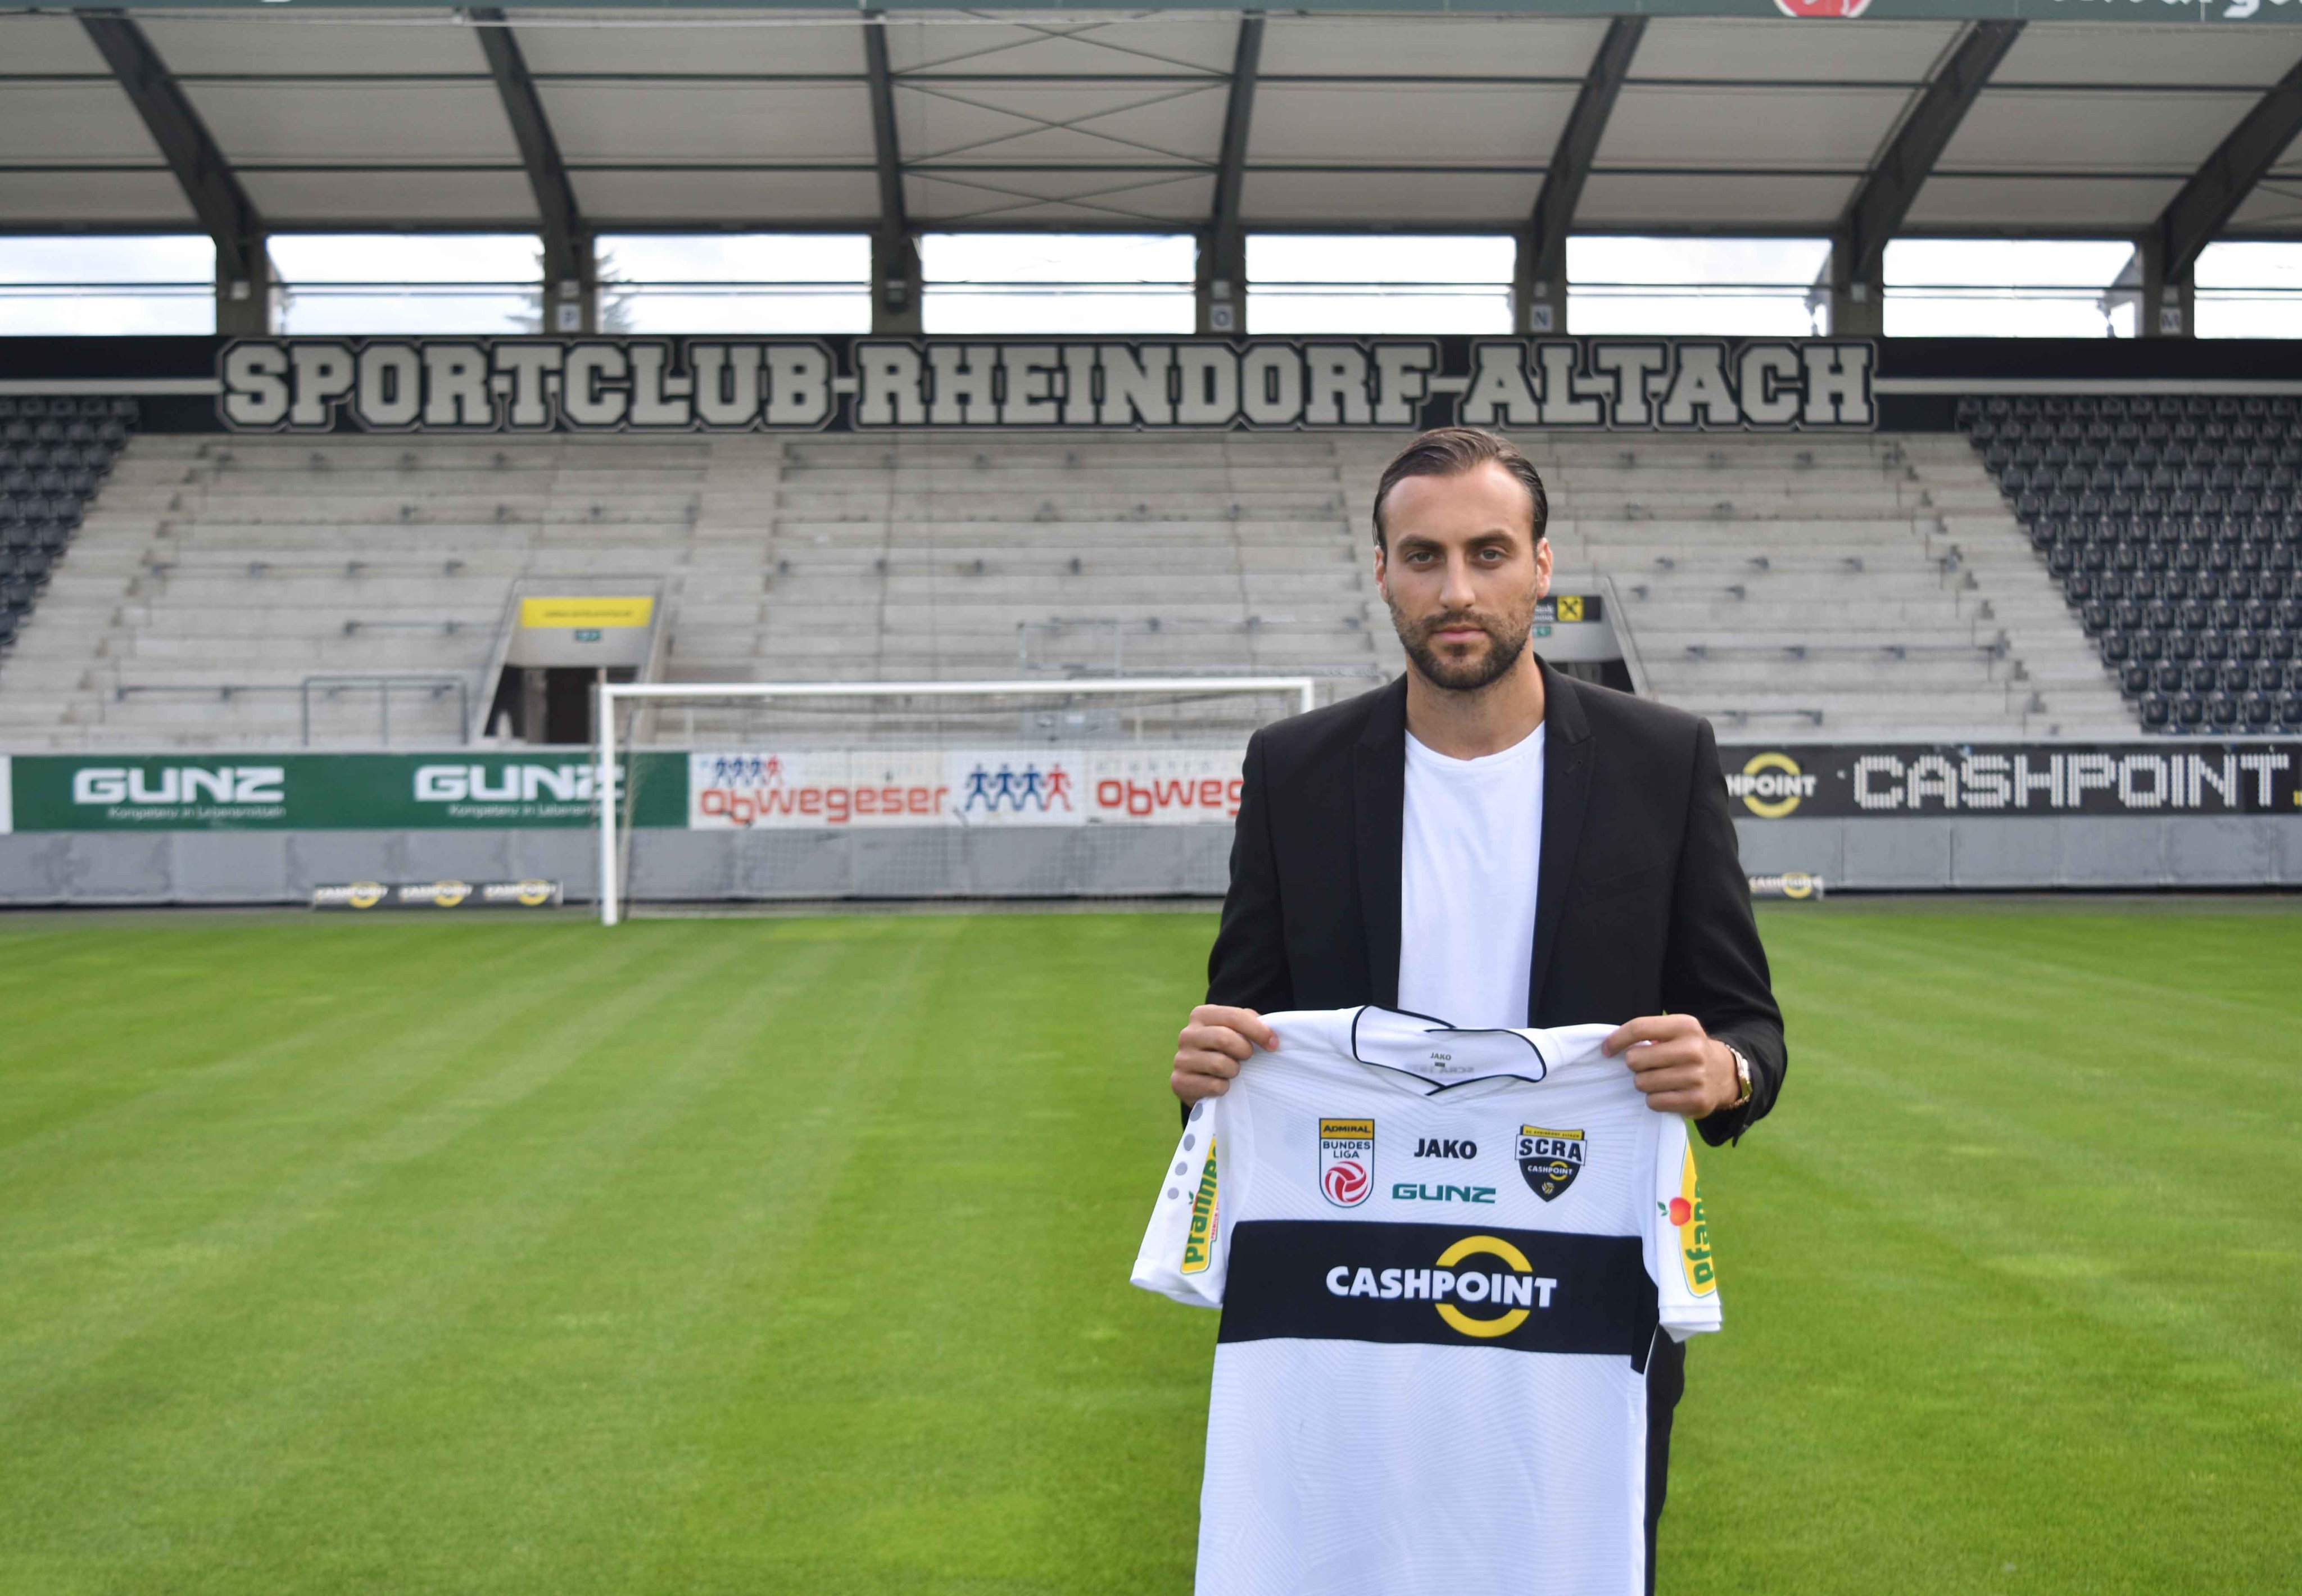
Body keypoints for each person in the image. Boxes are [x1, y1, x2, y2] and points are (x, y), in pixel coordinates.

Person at [1170, 425, 1785, 1594]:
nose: (1456, 590)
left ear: (1542, 565)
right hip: (1353, 1288)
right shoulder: (1296, 769)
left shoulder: (1662, 761)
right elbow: (1246, 1025)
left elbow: (1748, 1026)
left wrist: (1726, 1073)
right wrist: (1208, 1076)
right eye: (1423, 556)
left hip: (1583, 1291)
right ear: (1381, 572)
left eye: (1488, 552)